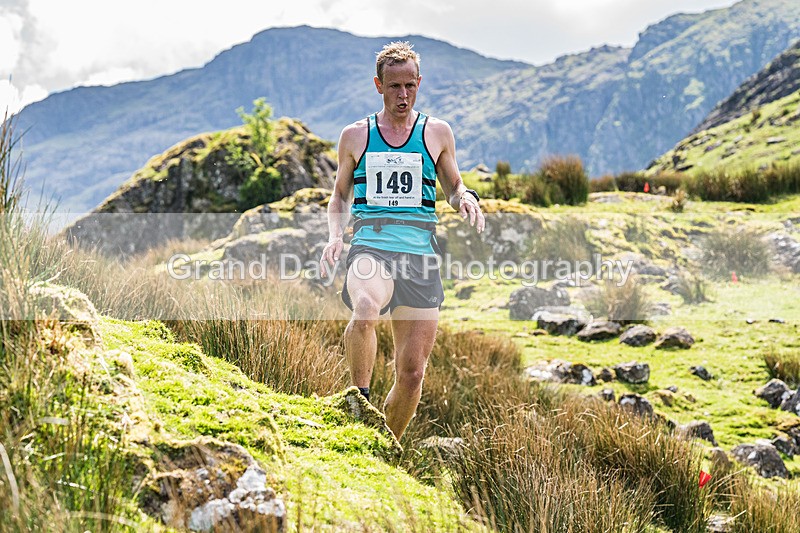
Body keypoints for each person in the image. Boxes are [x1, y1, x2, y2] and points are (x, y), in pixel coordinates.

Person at [320, 41, 484, 441]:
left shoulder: (436, 132)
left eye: (410, 85)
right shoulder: (356, 136)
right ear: (379, 85)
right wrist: (335, 235)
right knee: (365, 308)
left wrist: (465, 198)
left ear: (419, 83)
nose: (403, 95)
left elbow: (453, 185)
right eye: (394, 86)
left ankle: (383, 447)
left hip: (420, 254)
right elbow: (340, 195)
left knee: (412, 374)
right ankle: (359, 407)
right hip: (372, 245)